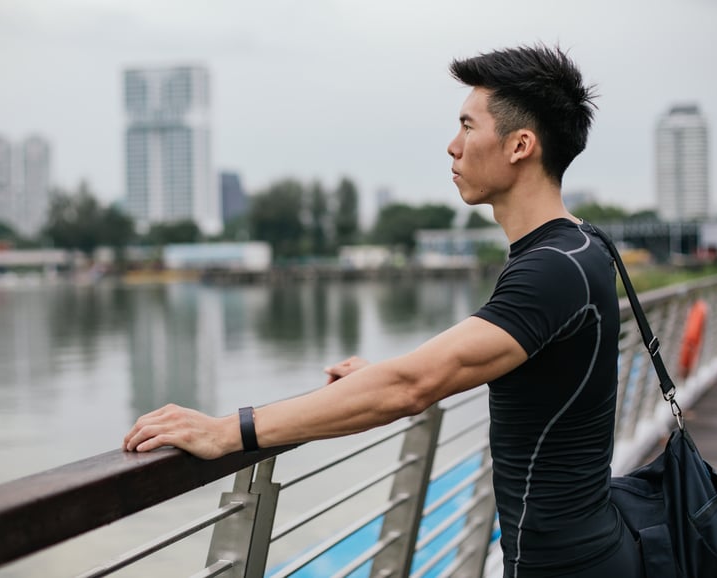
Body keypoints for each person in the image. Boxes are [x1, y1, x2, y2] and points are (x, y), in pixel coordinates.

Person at [124, 44, 642, 577]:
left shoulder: (552, 268)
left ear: (520, 145)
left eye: (467, 127)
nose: (452, 146)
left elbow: (413, 386)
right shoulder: (577, 246)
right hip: (578, 550)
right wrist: (380, 381)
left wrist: (228, 432)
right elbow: (462, 370)